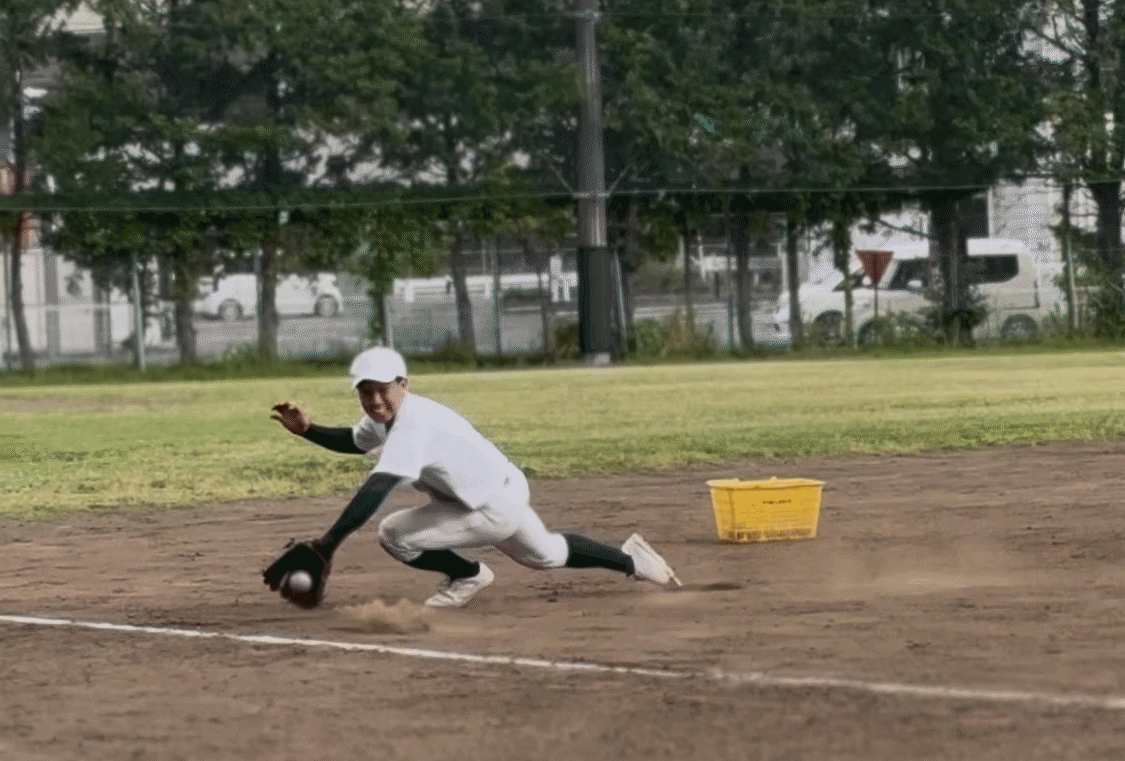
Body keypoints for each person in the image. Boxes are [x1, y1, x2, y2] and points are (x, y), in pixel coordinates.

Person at [265, 346, 680, 609]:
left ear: (403, 385)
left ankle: (468, 575)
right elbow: (356, 441)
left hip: (490, 508)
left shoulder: (414, 424)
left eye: (382, 389)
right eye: (365, 391)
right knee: (547, 555)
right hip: (501, 488)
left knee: (394, 534)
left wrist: (328, 544)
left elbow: (378, 486)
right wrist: (309, 430)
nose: (374, 400)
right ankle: (635, 562)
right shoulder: (386, 417)